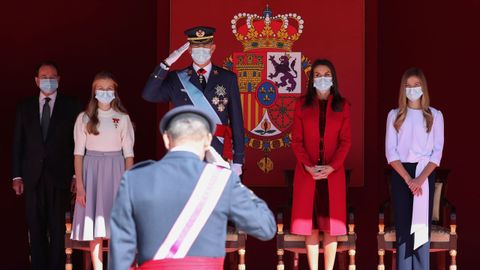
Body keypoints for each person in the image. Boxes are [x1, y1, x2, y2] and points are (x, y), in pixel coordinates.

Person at [108, 105, 276, 270]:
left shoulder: (135, 178)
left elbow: (121, 250)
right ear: (208, 141)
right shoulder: (221, 179)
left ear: (166, 139)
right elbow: (265, 227)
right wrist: (231, 177)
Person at [142, 26, 244, 176]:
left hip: (218, 148)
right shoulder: (177, 78)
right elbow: (149, 95)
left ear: (213, 48)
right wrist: (165, 65)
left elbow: (237, 121)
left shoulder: (227, 78)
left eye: (205, 45)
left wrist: (238, 160)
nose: (200, 49)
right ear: (189, 50)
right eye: (196, 46)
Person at [12, 61, 81, 270]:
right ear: (36, 80)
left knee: (58, 228)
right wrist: (16, 176)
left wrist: (77, 176)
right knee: (36, 227)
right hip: (32, 178)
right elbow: (18, 143)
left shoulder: (72, 106)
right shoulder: (24, 107)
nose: (48, 80)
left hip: (61, 177)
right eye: (44, 76)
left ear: (59, 79)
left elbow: (78, 144)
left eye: (52, 76)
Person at [290, 59, 351, 270]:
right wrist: (308, 166)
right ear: (311, 79)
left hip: (332, 174)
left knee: (331, 227)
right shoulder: (301, 104)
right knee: (312, 226)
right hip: (308, 174)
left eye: (326, 74)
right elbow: (296, 141)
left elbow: (346, 141)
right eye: (317, 74)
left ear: (333, 78)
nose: (322, 78)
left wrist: (332, 166)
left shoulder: (342, 106)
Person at [70, 71, 135, 270]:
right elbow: (78, 154)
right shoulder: (84, 118)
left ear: (115, 92)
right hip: (92, 170)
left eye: (109, 89)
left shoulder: (122, 118)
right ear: (93, 91)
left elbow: (129, 155)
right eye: (100, 88)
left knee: (115, 226)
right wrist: (80, 186)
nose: (105, 92)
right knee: (95, 226)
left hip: (116, 171)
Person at [385, 67, 444, 270]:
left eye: (416, 85)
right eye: (408, 86)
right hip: (401, 175)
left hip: (424, 174)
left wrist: (419, 180)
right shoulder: (394, 116)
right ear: (403, 89)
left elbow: (436, 154)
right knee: (403, 230)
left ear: (423, 88)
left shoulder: (434, 116)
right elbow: (391, 154)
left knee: (420, 228)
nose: (412, 89)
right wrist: (408, 179)